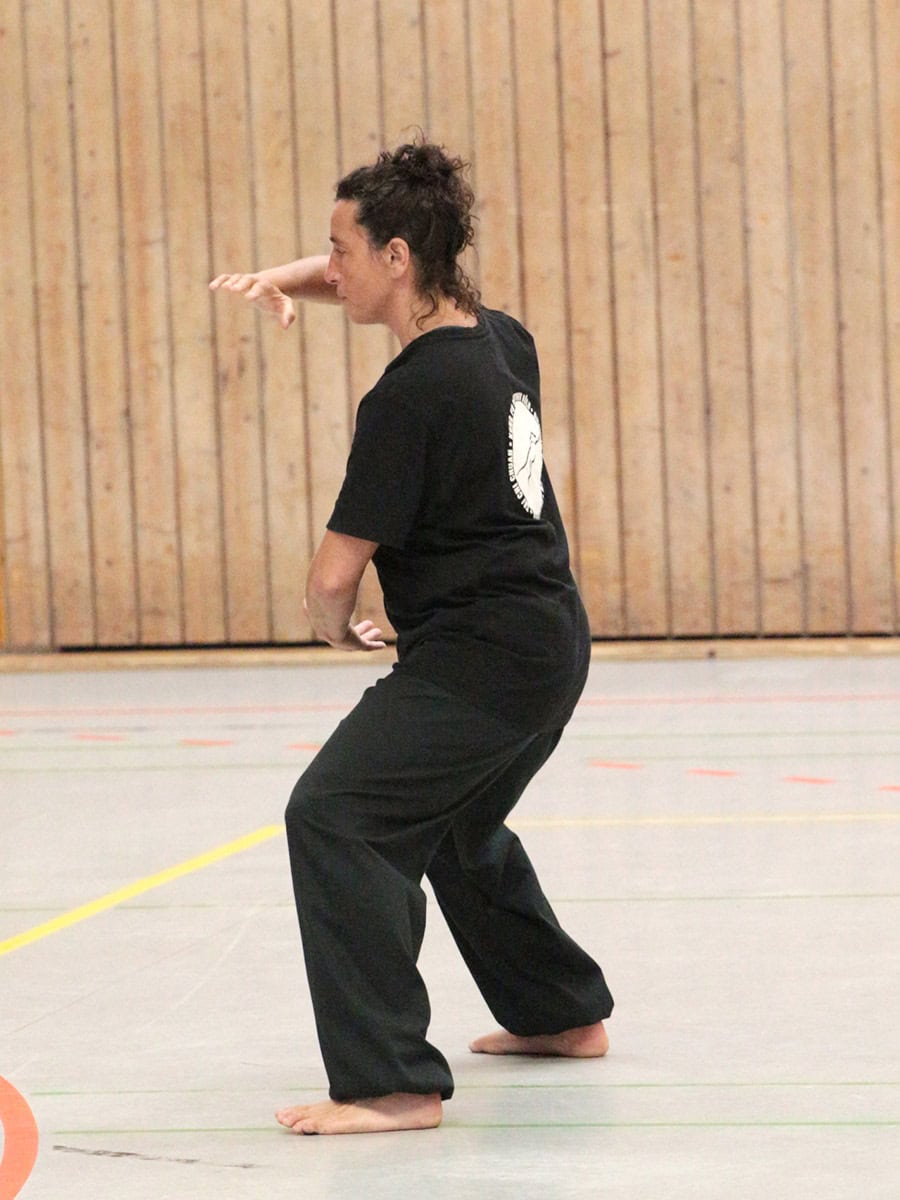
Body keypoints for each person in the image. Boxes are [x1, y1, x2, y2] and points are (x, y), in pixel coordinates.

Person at [209, 140, 614, 1136]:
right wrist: (284, 273)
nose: (326, 268)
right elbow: (385, 271)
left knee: (337, 816)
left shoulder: (406, 400)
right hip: (548, 646)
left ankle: (391, 1082)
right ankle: (561, 1015)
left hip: (479, 662)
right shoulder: (499, 340)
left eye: (337, 251)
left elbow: (332, 574)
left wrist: (335, 631)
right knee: (457, 827)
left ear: (395, 257)